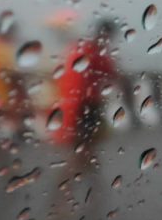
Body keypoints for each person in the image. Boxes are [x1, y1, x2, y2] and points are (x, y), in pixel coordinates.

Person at [51, 18, 119, 148]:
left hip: (79, 101)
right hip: (84, 103)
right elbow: (111, 73)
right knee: (84, 141)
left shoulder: (82, 48)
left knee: (84, 141)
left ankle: (83, 158)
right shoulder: (91, 51)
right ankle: (82, 158)